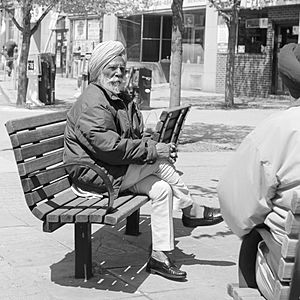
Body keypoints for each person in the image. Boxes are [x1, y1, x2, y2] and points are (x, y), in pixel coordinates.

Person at [63, 40, 223, 281]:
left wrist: (152, 144)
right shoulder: (93, 101)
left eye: (122, 69)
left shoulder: (119, 97)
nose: (118, 73)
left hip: (113, 170)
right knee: (158, 163)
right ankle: (190, 209)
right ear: (98, 70)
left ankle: (160, 255)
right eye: (112, 68)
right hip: (95, 175)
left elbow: (133, 135)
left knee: (161, 189)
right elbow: (110, 148)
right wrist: (153, 151)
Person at [217, 43, 300, 299]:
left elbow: (236, 205)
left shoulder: (278, 129)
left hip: (291, 274)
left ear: (287, 84)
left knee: (254, 237)